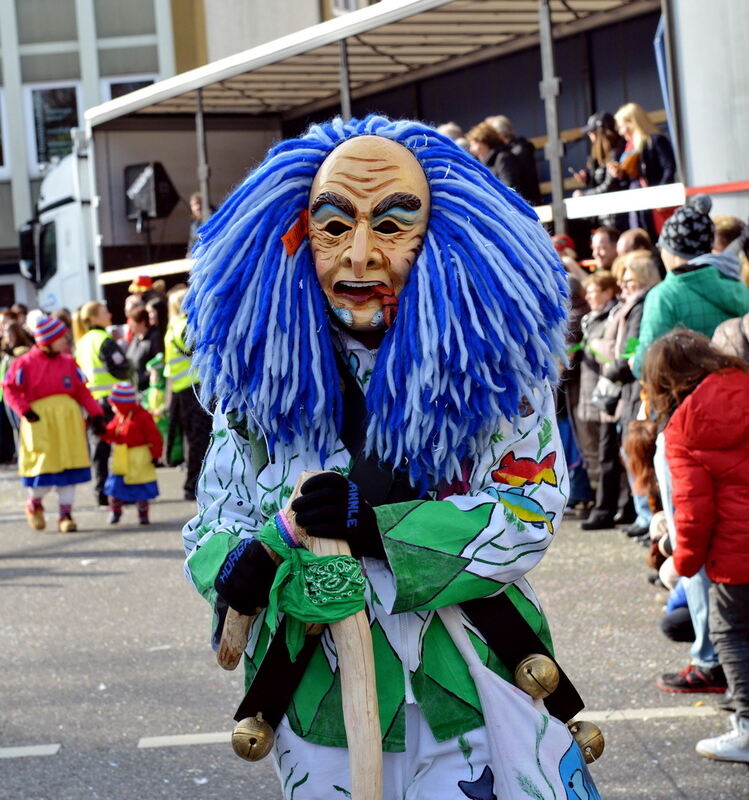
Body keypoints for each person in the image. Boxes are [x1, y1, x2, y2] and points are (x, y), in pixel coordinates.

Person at [182, 116, 599, 799]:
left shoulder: (497, 378)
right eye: (334, 225)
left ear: (442, 237)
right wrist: (250, 561)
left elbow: (527, 512)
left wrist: (379, 530)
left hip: (467, 687)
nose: (361, 254)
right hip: (318, 702)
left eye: (394, 222)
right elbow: (213, 523)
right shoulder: (256, 386)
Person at [643, 329, 749, 762]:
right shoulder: (743, 382)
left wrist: (681, 561)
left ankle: (746, 728)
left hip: (735, 554)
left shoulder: (685, 424)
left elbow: (693, 511)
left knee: (732, 635)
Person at [3, 316, 104, 532]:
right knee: (44, 470)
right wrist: (25, 410)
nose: (65, 341)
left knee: (69, 469)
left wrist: (96, 414)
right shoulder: (24, 363)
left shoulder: (68, 362)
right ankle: (34, 504)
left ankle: (65, 516)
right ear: (47, 340)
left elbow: (81, 391)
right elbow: (10, 388)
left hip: (68, 423)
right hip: (40, 423)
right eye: (60, 338)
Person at [584, 251, 661, 531]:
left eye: (629, 280)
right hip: (626, 388)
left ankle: (649, 518)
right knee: (629, 453)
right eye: (622, 281)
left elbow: (633, 350)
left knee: (638, 454)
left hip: (634, 386)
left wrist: (613, 366)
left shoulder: (643, 305)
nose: (624, 285)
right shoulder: (633, 304)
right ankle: (645, 517)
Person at [633, 195, 749, 378]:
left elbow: (646, 366)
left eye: (662, 246)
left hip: (688, 400)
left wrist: (634, 362)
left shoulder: (664, 296)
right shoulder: (740, 288)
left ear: (673, 251)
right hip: (738, 395)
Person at [73, 301, 131, 506]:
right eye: (104, 311)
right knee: (122, 447)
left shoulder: (81, 343)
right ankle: (123, 491)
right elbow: (121, 367)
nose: (109, 314)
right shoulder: (104, 340)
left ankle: (101, 492)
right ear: (94, 318)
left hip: (92, 402)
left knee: (99, 449)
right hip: (114, 401)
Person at [164, 287, 211, 501]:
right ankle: (193, 484)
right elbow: (196, 348)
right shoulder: (183, 326)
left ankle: (194, 482)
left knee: (196, 439)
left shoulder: (174, 326)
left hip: (187, 389)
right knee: (198, 440)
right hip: (193, 388)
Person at [100, 381, 162, 525]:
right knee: (115, 488)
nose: (112, 407)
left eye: (115, 404)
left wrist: (156, 455)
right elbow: (111, 433)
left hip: (140, 458)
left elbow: (154, 437)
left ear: (122, 404)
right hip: (121, 459)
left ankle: (143, 514)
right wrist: (101, 431)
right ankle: (115, 511)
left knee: (142, 489)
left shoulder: (143, 416)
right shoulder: (120, 417)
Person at [611, 102, 677, 237]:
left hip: (655, 205)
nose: (620, 131)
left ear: (632, 123)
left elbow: (669, 168)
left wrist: (660, 196)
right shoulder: (628, 149)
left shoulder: (656, 141)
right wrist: (620, 174)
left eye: (622, 126)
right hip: (637, 202)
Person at [572, 111, 628, 229]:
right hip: (607, 215)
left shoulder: (616, 152)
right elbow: (603, 180)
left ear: (600, 132)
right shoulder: (604, 153)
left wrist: (583, 195)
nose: (589, 135)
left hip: (616, 217)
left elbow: (610, 186)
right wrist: (588, 179)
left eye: (591, 132)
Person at [486, 114, 542, 205]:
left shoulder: (518, 151)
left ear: (500, 135)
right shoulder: (513, 150)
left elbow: (524, 182)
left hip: (527, 204)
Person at [125, 305, 163, 391]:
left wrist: (145, 377)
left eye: (133, 322)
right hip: (136, 387)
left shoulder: (154, 338)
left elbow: (158, 361)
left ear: (142, 322)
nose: (130, 326)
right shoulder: (135, 339)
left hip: (150, 387)